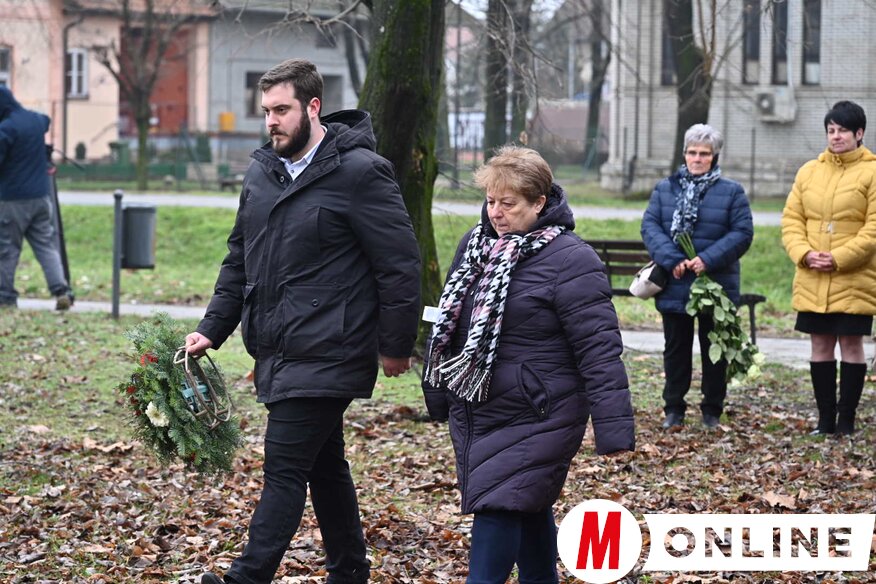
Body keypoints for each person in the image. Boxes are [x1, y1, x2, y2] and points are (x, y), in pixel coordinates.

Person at [188, 59, 421, 584]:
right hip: (278, 347)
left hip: (333, 347)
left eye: (281, 110)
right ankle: (350, 570)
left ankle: (246, 578)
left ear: (313, 107)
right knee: (324, 465)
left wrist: (395, 344)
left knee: (284, 467)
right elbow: (239, 258)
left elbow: (399, 265)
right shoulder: (262, 173)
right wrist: (212, 328)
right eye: (266, 111)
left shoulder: (361, 173)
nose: (271, 121)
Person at [422, 145, 635, 584]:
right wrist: (439, 392)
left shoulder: (572, 260)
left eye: (509, 203)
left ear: (539, 203)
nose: (496, 213)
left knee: (499, 506)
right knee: (527, 506)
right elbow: (451, 325)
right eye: (490, 201)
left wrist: (613, 429)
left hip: (541, 411)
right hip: (482, 407)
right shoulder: (475, 247)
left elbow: (599, 349)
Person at [641, 124, 754, 430]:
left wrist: (707, 259)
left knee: (713, 350)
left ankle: (712, 409)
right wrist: (672, 259)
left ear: (714, 156)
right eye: (692, 152)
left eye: (704, 153)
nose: (697, 159)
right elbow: (650, 226)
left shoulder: (731, 191)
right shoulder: (665, 189)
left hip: (715, 284)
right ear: (684, 154)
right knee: (675, 350)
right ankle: (673, 408)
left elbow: (742, 233)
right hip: (676, 282)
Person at [782, 100, 876, 436]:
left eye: (843, 130)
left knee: (851, 345)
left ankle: (846, 421)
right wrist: (805, 254)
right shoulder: (809, 171)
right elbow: (792, 220)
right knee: (820, 345)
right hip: (813, 276)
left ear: (859, 133)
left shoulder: (872, 172)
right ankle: (825, 421)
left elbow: (873, 228)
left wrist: (838, 258)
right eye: (831, 130)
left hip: (854, 277)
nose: (835, 136)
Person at [0, 86, 73, 310]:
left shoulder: (7, 129)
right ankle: (61, 290)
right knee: (46, 246)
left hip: (13, 200)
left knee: (7, 249)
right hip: (41, 197)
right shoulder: (35, 120)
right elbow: (46, 120)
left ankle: (5, 296)